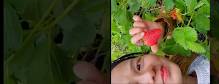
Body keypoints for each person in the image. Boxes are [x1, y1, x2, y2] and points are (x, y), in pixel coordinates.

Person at [73, 15, 210, 84]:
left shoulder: (186, 57)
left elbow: (197, 22)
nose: (148, 75)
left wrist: (164, 29)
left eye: (138, 66)